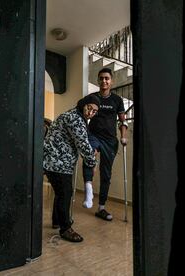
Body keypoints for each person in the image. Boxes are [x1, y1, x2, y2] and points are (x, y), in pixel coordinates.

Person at [43, 94, 100, 242]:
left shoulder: (77, 116)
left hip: (57, 161)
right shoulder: (74, 118)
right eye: (89, 108)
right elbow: (83, 144)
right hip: (57, 162)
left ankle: (57, 221)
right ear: (84, 104)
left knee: (61, 193)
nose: (90, 113)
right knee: (65, 193)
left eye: (94, 111)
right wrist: (93, 163)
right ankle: (65, 228)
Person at [82, 68, 128, 221]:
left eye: (107, 78)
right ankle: (88, 188)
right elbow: (83, 114)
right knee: (91, 154)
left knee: (106, 174)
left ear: (111, 81)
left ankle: (101, 207)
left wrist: (124, 137)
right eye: (101, 78)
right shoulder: (92, 97)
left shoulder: (117, 100)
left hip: (110, 140)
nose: (104, 81)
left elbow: (123, 121)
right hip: (94, 135)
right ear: (98, 80)